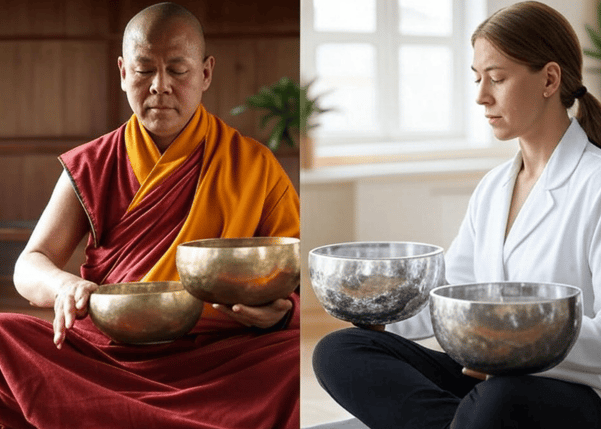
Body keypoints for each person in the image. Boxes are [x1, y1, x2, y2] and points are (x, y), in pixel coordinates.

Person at [1, 3, 300, 428]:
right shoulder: (92, 163)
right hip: (110, 355)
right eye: (144, 70)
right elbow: (29, 265)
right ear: (123, 72)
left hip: (218, 358)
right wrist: (65, 285)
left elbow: (300, 274)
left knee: (294, 360)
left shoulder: (252, 164)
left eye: (178, 70)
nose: (160, 86)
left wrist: (284, 312)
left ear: (206, 73)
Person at [313, 2, 601, 428]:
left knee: (499, 399)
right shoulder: (494, 187)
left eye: (497, 78)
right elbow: (453, 295)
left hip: (569, 389)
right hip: (490, 378)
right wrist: (378, 318)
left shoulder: (595, 183)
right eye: (477, 78)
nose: (482, 95)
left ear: (550, 79)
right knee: (340, 351)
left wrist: (509, 351)